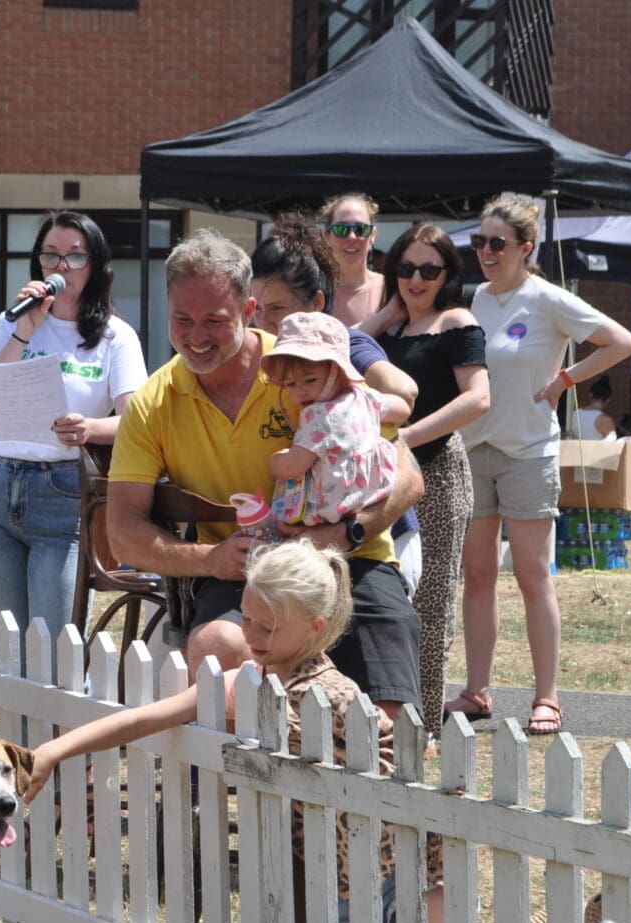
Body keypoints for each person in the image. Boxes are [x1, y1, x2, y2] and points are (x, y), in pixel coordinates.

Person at [24, 539, 443, 923]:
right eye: (246, 619)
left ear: (315, 627)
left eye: (267, 627)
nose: (252, 636)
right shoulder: (243, 683)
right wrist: (54, 751)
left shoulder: (335, 696)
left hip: (406, 866)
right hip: (339, 881)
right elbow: (144, 719)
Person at [107, 229, 424, 721]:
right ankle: (249, 788)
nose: (196, 335)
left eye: (215, 320)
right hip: (242, 573)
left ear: (249, 311)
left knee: (389, 717)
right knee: (218, 645)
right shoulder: (152, 402)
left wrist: (344, 533)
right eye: (181, 319)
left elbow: (408, 474)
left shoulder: (307, 366)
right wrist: (211, 558)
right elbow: (122, 534)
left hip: (346, 560)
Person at [450, 196, 631, 736]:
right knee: (478, 577)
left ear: (525, 248)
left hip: (529, 453)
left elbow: (621, 342)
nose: (484, 252)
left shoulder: (548, 298)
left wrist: (565, 380)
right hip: (472, 451)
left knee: (534, 576)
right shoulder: (471, 301)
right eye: (478, 242)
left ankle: (547, 698)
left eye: (496, 243)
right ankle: (476, 691)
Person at [0, 211, 146, 664]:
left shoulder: (115, 337)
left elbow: (135, 421)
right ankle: (14, 735)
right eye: (50, 255)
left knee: (54, 645)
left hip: (60, 490)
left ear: (96, 265)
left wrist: (89, 429)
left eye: (74, 256)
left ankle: (54, 736)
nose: (60, 267)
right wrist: (23, 332)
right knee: (7, 646)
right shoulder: (15, 322)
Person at [358, 223, 489, 737]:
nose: (417, 278)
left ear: (447, 274)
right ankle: (387, 715)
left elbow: (478, 398)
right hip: (386, 475)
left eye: (429, 270)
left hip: (436, 471)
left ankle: (426, 724)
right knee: (389, 592)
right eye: (406, 268)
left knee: (430, 601)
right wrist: (390, 311)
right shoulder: (387, 330)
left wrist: (409, 436)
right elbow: (346, 350)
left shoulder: (457, 321)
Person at [250, 212, 423, 594]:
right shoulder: (271, 356)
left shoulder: (344, 346)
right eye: (257, 309)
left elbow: (406, 392)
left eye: (277, 309)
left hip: (380, 532)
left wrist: (355, 393)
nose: (264, 322)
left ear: (315, 302)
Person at [263, 311, 402, 527]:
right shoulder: (364, 396)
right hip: (369, 498)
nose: (300, 392)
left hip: (327, 513)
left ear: (336, 371)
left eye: (310, 380)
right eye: (290, 384)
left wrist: (276, 460)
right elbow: (401, 409)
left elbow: (291, 467)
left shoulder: (318, 416)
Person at [319, 193, 385, 327]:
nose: (352, 237)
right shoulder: (311, 291)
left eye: (361, 229)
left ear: (372, 236)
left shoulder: (390, 289)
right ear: (327, 237)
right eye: (341, 229)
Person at [570, 375, 619, 441]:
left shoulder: (574, 414)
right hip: (595, 451)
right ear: (608, 399)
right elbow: (612, 445)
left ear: (590, 395)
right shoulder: (605, 420)